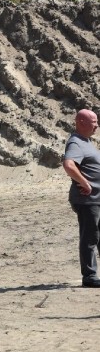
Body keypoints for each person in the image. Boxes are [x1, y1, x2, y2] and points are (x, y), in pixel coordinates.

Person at [63, 109, 100, 288]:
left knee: (97, 236)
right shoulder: (76, 142)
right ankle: (90, 276)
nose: (97, 125)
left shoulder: (86, 142)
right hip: (87, 200)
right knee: (90, 237)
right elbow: (69, 164)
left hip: (96, 199)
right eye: (94, 122)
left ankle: (92, 274)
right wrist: (84, 182)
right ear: (82, 122)